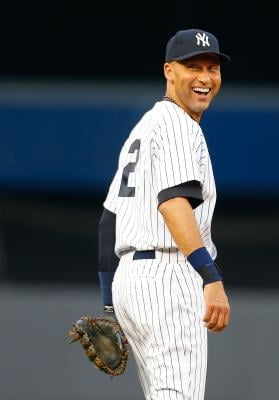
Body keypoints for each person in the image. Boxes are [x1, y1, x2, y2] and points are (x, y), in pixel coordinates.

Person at [97, 28, 231, 400]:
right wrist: (210, 276)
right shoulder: (178, 124)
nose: (205, 78)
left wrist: (111, 306)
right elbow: (174, 203)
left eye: (212, 68)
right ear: (169, 71)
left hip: (132, 280)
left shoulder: (143, 128)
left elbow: (109, 220)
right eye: (193, 67)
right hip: (169, 277)